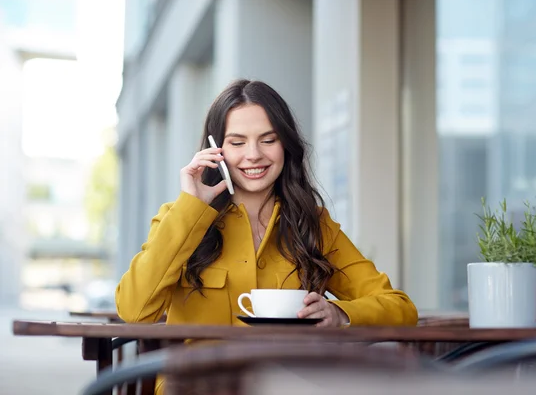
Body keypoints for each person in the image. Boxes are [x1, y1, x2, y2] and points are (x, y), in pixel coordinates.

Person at [115, 79, 418, 392]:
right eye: (236, 142)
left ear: (285, 144)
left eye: (268, 140)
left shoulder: (313, 225)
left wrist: (340, 313)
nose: (253, 155)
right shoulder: (177, 217)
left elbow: (400, 307)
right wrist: (191, 209)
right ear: (214, 150)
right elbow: (135, 311)